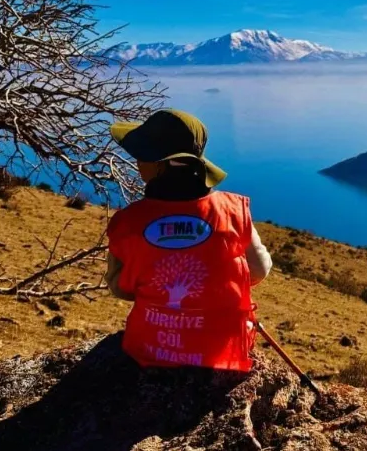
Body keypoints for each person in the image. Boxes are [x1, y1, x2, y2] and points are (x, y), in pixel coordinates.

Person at [104, 108, 272, 373]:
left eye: (141, 156)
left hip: (150, 349)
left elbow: (120, 287)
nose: (136, 162)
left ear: (159, 164)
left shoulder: (127, 222)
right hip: (219, 352)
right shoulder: (232, 212)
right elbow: (259, 269)